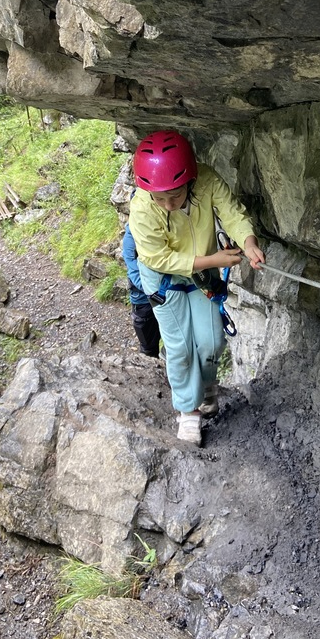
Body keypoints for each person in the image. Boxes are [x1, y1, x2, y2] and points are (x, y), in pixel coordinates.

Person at [128, 130, 265, 446]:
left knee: (211, 340)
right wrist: (213, 260)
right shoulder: (143, 207)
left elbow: (231, 212)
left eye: (175, 196)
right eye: (159, 198)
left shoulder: (207, 181)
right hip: (163, 279)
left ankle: (206, 387)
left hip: (201, 272)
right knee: (180, 346)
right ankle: (188, 411)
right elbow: (157, 257)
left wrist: (248, 241)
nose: (167, 205)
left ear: (190, 180)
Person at [122, 222, 162, 358]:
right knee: (149, 349)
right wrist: (161, 291)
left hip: (163, 295)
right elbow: (135, 275)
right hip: (144, 301)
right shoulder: (131, 237)